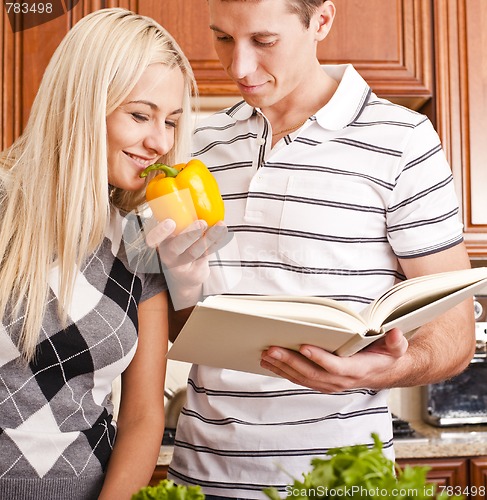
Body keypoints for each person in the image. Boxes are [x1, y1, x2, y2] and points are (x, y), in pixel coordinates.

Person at [166, 1, 476, 499]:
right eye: (222, 38)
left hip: (340, 482)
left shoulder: (403, 140)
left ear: (321, 21)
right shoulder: (199, 146)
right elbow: (187, 324)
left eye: (263, 42)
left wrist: (390, 368)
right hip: (201, 478)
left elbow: (455, 332)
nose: (239, 67)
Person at [0, 8, 222, 499]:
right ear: (82, 104)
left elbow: (143, 417)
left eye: (171, 122)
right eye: (140, 115)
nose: (159, 142)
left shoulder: (142, 242)